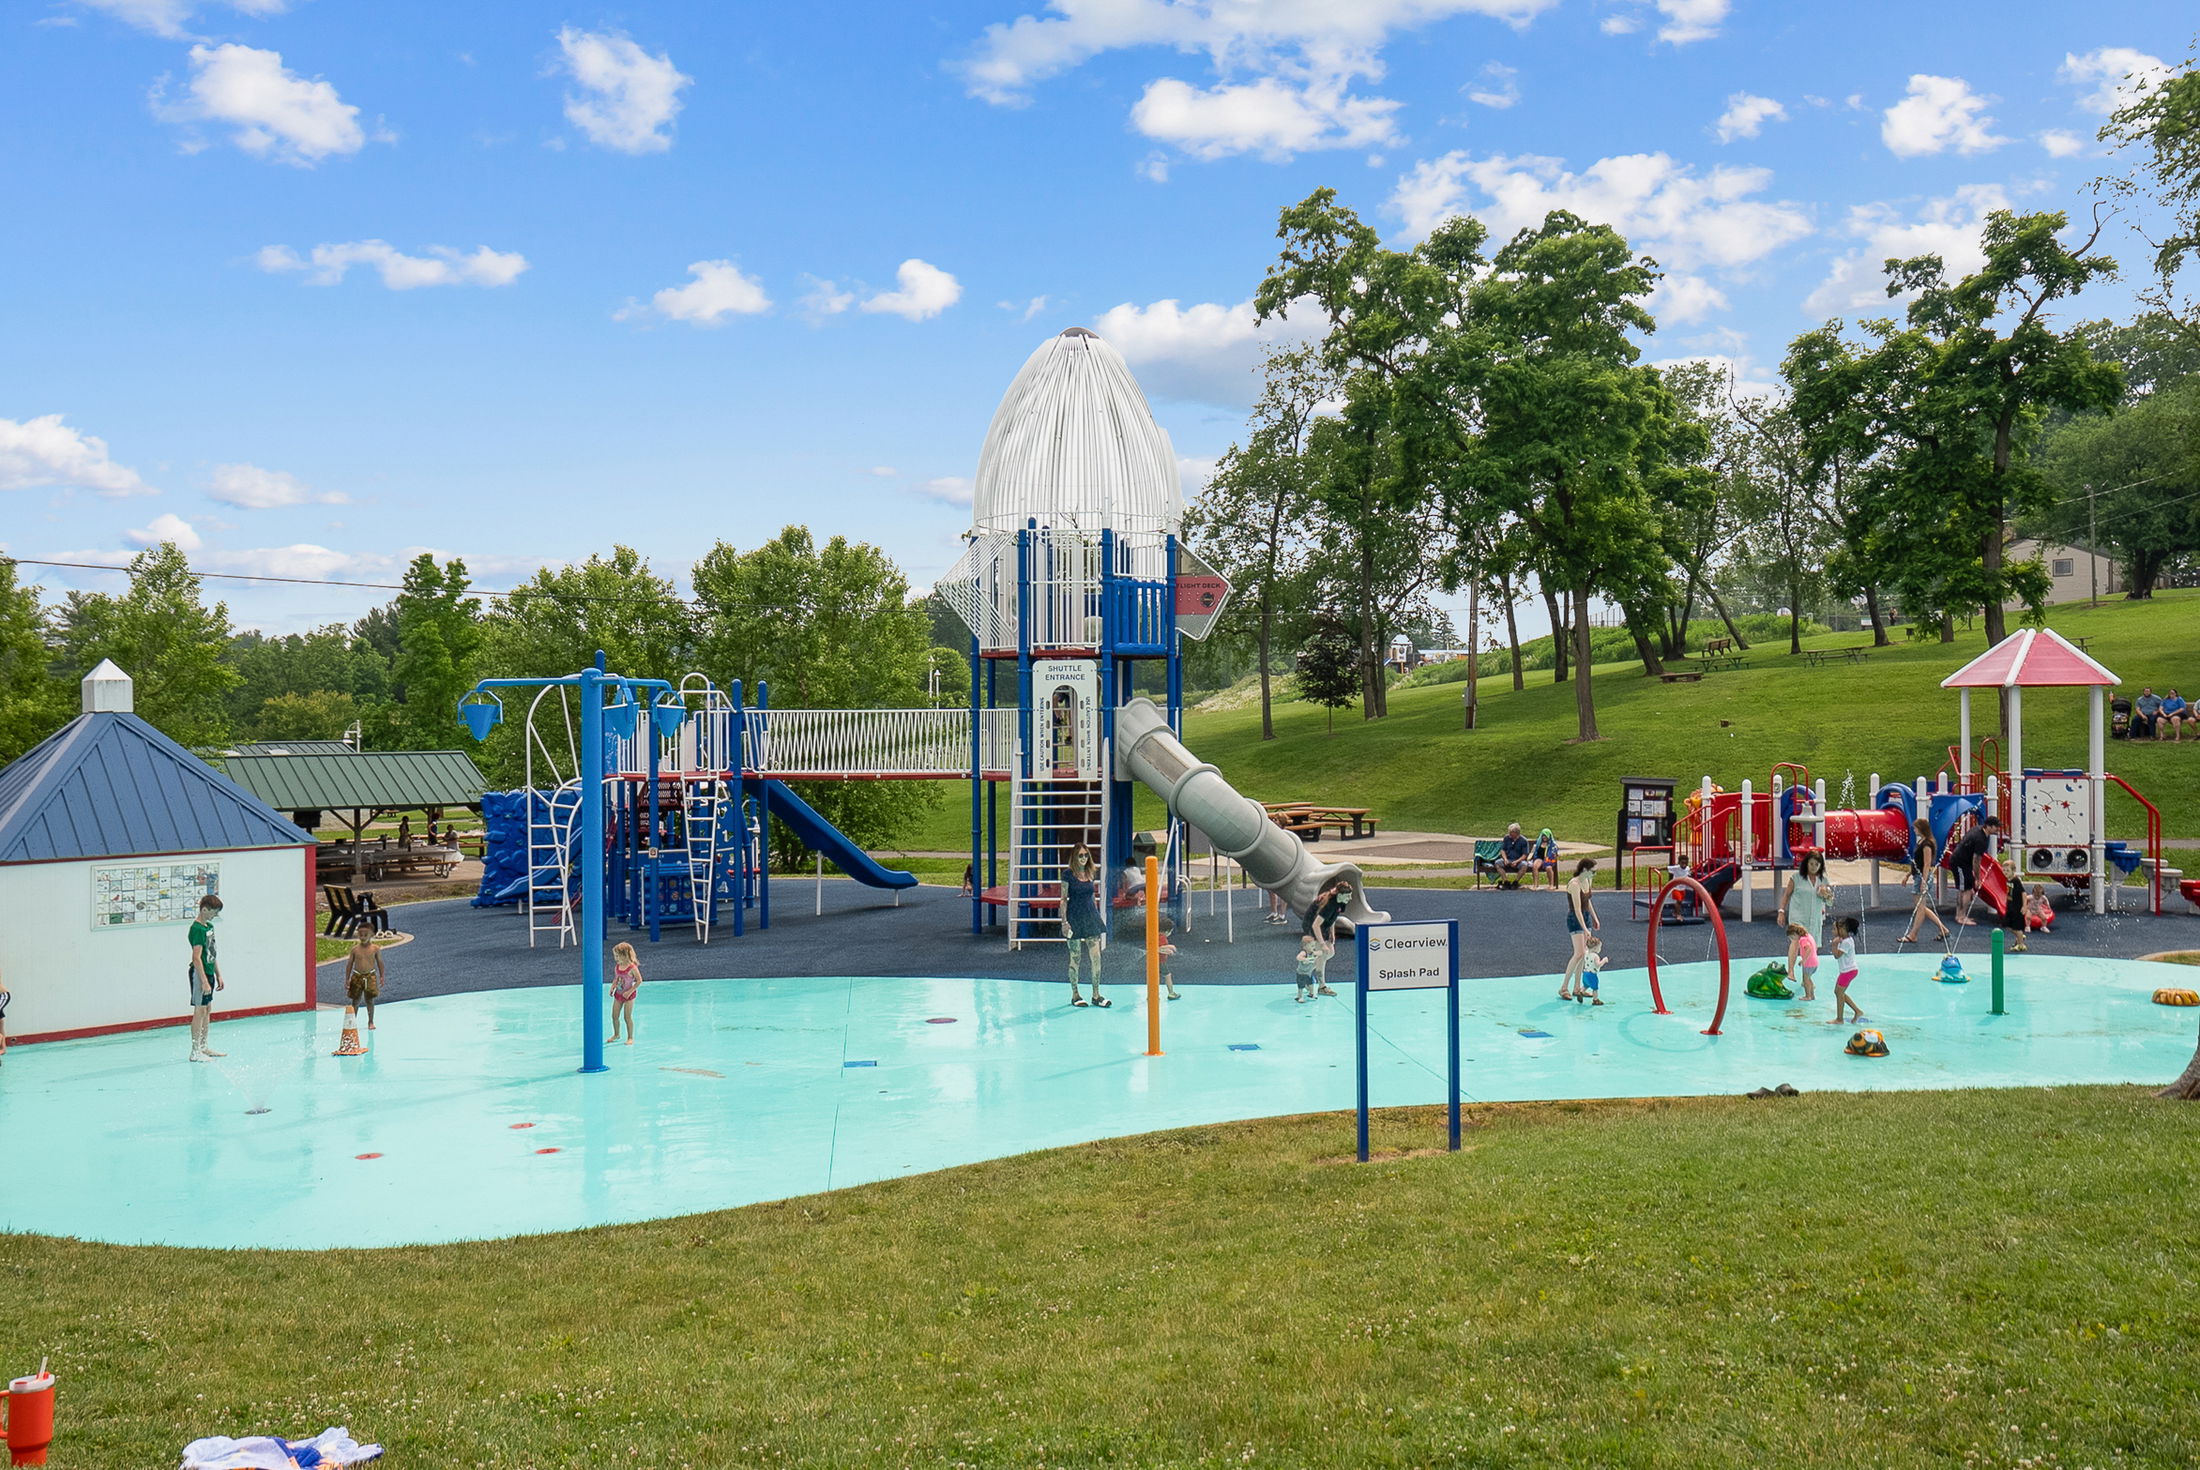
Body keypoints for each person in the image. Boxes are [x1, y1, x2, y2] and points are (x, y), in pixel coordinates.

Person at [1062, 844, 1108, 1007]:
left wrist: (1096, 915)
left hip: (1090, 918)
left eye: (1086, 855)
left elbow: (1092, 896)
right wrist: (1064, 922)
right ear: (1074, 857)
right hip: (1074, 918)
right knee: (1075, 957)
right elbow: (1063, 899)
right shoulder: (1068, 875)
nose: (1083, 858)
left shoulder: (1090, 873)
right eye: (1080, 855)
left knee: (1096, 958)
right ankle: (1075, 994)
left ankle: (1096, 995)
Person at [1897, 817, 1951, 947]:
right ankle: (1943, 929)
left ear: (1921, 828)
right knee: (1921, 907)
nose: (1914, 830)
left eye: (1915, 828)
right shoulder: (1921, 842)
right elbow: (1917, 862)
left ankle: (1913, 934)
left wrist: (1923, 880)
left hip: (1922, 877)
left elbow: (1927, 864)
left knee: (1920, 908)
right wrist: (1908, 874)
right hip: (1918, 876)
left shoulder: (1927, 844)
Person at [186, 894, 226, 1061]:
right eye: (213, 912)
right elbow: (196, 958)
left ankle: (204, 1047)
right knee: (199, 1010)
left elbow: (212, 953)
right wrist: (203, 980)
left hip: (209, 973)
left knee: (207, 1010)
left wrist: (218, 974)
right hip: (199, 974)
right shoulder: (197, 929)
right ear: (204, 909)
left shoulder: (209, 927)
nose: (215, 916)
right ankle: (195, 1051)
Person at [1948, 814, 2000, 926]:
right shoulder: (1981, 839)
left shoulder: (1978, 829)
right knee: (1965, 889)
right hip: (1959, 863)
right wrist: (1978, 878)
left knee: (1965, 888)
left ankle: (1960, 914)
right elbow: (1976, 860)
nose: (1998, 829)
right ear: (1989, 826)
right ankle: (1961, 917)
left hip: (1962, 861)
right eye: (1996, 827)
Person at [1560, 858, 1600, 1001]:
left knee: (1584, 954)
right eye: (1593, 872)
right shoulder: (1574, 884)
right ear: (1585, 870)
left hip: (1586, 917)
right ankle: (1564, 987)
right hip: (1575, 920)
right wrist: (1585, 928)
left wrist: (1595, 918)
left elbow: (1588, 902)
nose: (1594, 875)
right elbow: (1577, 909)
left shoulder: (1587, 881)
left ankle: (1577, 987)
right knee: (1579, 953)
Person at [1779, 850, 1833, 946]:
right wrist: (1781, 912)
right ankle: (1792, 962)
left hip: (1814, 919)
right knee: (1796, 943)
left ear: (1820, 866)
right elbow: (1786, 895)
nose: (1813, 867)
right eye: (1811, 864)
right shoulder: (1796, 877)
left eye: (1816, 864)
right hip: (1798, 918)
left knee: (1812, 945)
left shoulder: (1823, 880)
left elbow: (1830, 903)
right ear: (1806, 863)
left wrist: (1827, 895)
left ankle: (1806, 961)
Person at [343, 935, 385, 1030]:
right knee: (355, 1001)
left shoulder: (375, 949)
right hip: (357, 976)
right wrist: (347, 978)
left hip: (370, 976)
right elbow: (349, 964)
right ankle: (353, 1022)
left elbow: (380, 962)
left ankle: (371, 1021)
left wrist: (382, 976)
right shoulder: (355, 950)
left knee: (370, 1000)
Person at [1830, 916, 1864, 1025]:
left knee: (1839, 993)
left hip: (1848, 971)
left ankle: (1840, 1019)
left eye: (1835, 929)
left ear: (1843, 930)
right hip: (1847, 971)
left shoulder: (1846, 942)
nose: (1833, 931)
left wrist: (1834, 945)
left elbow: (1837, 956)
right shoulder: (1845, 940)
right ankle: (1857, 1011)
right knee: (1838, 992)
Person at [610, 941, 642, 1043]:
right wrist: (613, 986)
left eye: (618, 956)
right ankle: (616, 1034)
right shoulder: (617, 966)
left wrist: (630, 991)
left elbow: (639, 980)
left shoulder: (632, 968)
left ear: (625, 956)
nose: (616, 959)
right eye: (615, 956)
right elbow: (617, 978)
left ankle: (630, 1037)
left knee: (627, 1017)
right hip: (618, 994)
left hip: (629, 996)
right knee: (614, 1016)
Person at [1785, 920, 1820, 1004]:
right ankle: (1812, 995)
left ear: (1795, 934)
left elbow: (1809, 948)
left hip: (1809, 963)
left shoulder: (1802, 940)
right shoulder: (1808, 936)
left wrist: (1803, 960)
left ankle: (1808, 996)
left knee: (1806, 980)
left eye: (1792, 937)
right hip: (1815, 962)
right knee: (1809, 979)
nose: (1793, 939)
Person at [1154, 914, 1181, 1001]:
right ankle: (1171, 993)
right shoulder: (1162, 938)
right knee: (1167, 976)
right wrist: (1169, 948)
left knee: (1155, 978)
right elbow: (1157, 949)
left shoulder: (1156, 936)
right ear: (1166, 931)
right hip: (1160, 961)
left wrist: (1169, 947)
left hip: (1156, 961)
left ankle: (1152, 995)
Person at [1497, 823, 1531, 888]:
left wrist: (1516, 861)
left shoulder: (1524, 841)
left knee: (1524, 865)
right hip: (1508, 859)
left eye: (1511, 832)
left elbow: (1525, 855)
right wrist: (1505, 859)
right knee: (1497, 863)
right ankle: (1506, 881)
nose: (1509, 834)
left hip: (1519, 860)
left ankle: (1516, 882)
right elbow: (1502, 850)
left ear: (1516, 833)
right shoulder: (1506, 838)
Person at [1576, 935, 1605, 1006]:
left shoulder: (1586, 953)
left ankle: (1581, 992)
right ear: (1595, 948)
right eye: (1599, 947)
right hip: (1592, 974)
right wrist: (1604, 960)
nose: (1600, 949)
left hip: (1585, 973)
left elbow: (1586, 948)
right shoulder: (1595, 956)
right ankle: (1595, 1000)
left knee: (1585, 985)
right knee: (1595, 988)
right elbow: (1598, 964)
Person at [1294, 935, 1324, 1003]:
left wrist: (1315, 953)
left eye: (1314, 946)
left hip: (1309, 973)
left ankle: (1311, 993)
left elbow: (1320, 952)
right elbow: (1298, 957)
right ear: (1305, 946)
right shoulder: (1304, 952)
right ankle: (1300, 996)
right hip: (1301, 973)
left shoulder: (1313, 952)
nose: (1313, 947)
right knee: (1301, 986)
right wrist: (1305, 959)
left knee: (1311, 984)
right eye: (1311, 946)